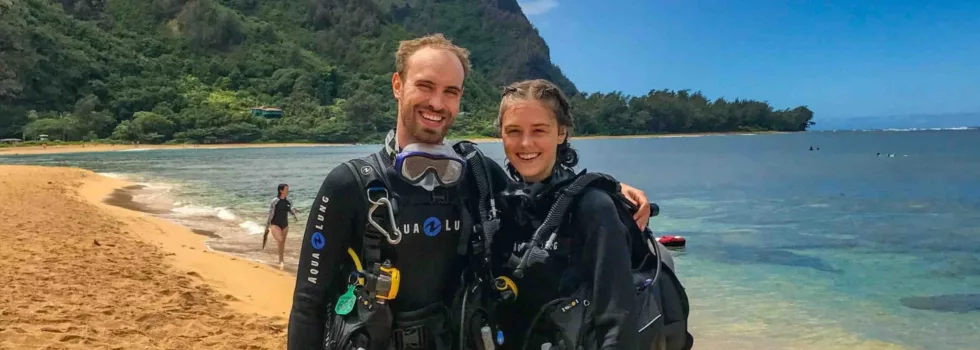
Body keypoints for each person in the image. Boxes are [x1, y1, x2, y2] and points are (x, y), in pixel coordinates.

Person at [287, 34, 652, 350]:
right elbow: (308, 303)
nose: (437, 103)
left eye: (451, 92)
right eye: (425, 86)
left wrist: (605, 188)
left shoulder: (475, 176)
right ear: (398, 85)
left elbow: (545, 199)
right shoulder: (350, 185)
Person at [489, 79, 693, 350]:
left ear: (561, 133)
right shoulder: (502, 201)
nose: (526, 143)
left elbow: (617, 320)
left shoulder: (593, 207)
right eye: (513, 131)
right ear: (501, 134)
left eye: (539, 130)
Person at [264, 183, 299, 270]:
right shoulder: (275, 201)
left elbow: (290, 210)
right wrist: (267, 226)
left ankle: (281, 260)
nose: (288, 191)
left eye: (288, 189)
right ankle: (280, 260)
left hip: (285, 224)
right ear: (281, 191)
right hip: (275, 223)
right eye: (286, 189)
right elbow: (271, 214)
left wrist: (294, 212)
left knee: (282, 242)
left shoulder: (289, 201)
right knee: (280, 240)